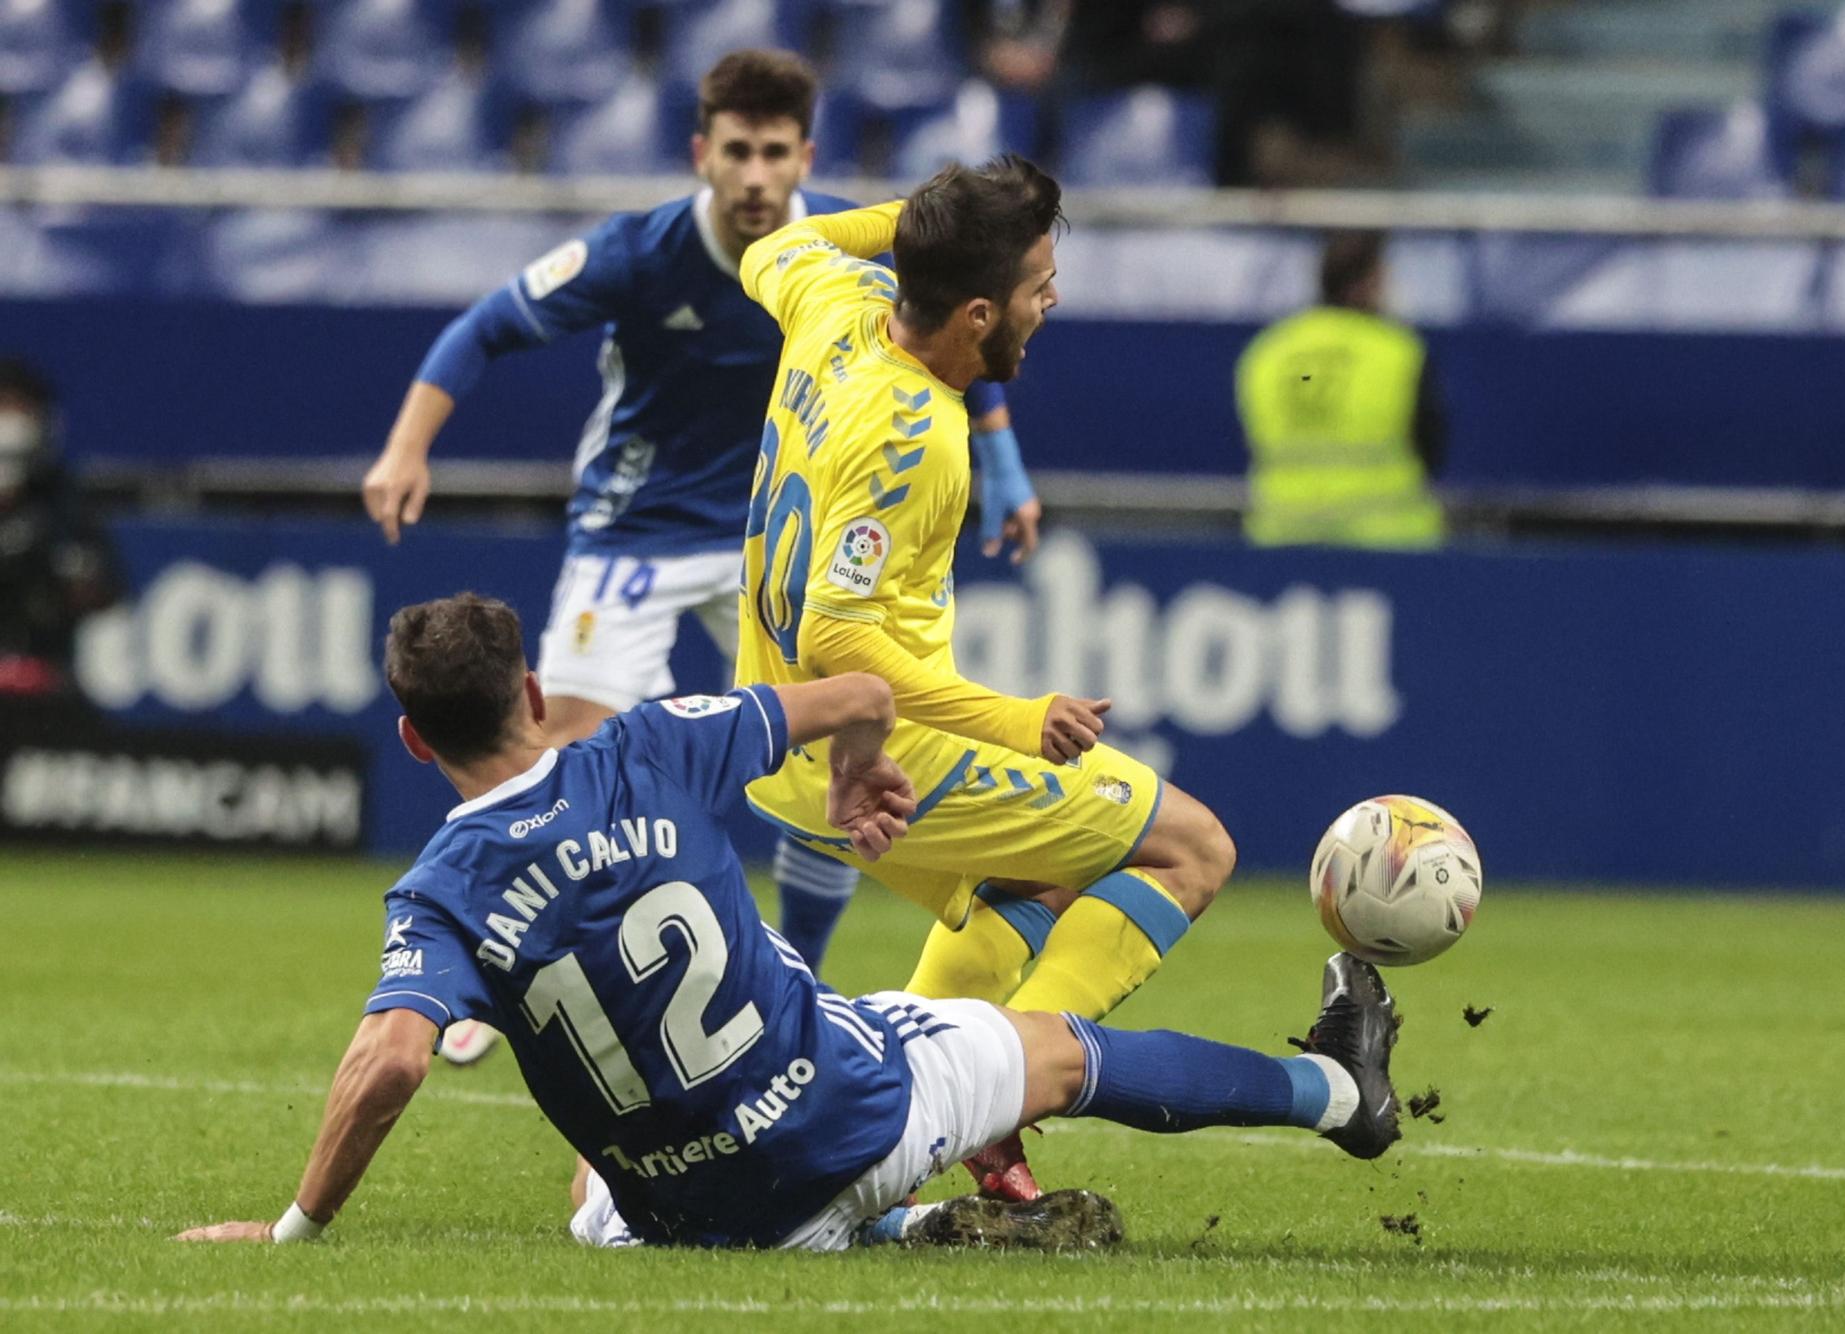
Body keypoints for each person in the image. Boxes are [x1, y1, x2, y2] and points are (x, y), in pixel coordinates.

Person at [173, 592, 1404, 1252]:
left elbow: (393, 1054)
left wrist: (296, 1228)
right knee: (1054, 1052)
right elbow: (865, 686)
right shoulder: (647, 744)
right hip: (843, 1110)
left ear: (411, 737)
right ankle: (1341, 1093)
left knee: (590, 1184)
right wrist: (859, 770)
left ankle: (903, 1232)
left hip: (690, 1222)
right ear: (537, 694)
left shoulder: (436, 888)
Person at [360, 51, 1044, 1063]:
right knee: (567, 753)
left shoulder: (847, 247)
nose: (757, 174)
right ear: (703, 155)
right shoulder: (636, 252)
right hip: (635, 523)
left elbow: (959, 331)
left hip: (770, 537)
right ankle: (494, 969)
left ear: (804, 154)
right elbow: (486, 327)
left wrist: (1005, 464)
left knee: (837, 731)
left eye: (776, 152)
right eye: (737, 151)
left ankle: (802, 970)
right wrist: (406, 444)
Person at [734, 157, 1241, 1199]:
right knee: (1193, 846)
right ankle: (995, 1091)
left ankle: (928, 1089)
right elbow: (838, 631)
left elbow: (772, 246)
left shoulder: (836, 299)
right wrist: (1014, 717)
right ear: (976, 314)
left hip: (784, 736)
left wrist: (923, 226)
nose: (1048, 304)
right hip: (870, 751)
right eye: (1035, 288)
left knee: (1037, 877)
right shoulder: (916, 433)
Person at [1235, 231, 1449, 549]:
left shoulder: (1268, 350)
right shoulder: (1396, 351)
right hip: (1388, 542)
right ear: (1367, 283)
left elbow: (1253, 437)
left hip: (1283, 535)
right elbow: (1431, 443)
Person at [0, 359, 120, 740]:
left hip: (41, 690)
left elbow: (103, 588)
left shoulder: (63, 503)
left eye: (19, 408)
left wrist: (60, 582)